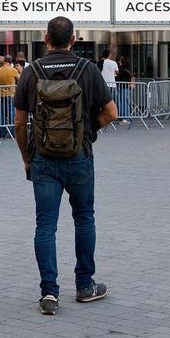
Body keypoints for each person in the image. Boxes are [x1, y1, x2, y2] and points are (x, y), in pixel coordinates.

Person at [13, 17, 117, 316]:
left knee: (45, 225)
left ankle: (49, 292)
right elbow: (111, 111)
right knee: (84, 218)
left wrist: (26, 156)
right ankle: (85, 286)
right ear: (74, 40)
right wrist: (89, 130)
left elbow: (20, 123)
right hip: (79, 157)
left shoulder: (31, 72)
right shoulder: (88, 69)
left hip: (43, 158)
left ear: (46, 38)